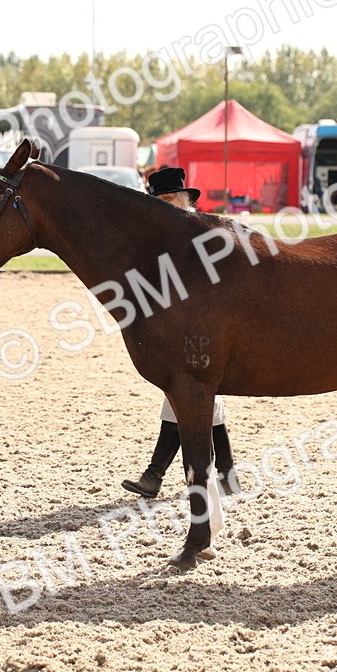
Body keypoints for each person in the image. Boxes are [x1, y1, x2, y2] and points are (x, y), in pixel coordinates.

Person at [121, 167, 238, 499]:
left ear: (169, 200)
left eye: (157, 201)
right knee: (201, 401)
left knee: (183, 398)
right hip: (192, 327)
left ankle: (154, 475)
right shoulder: (178, 232)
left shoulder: (188, 233)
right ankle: (227, 473)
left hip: (202, 328)